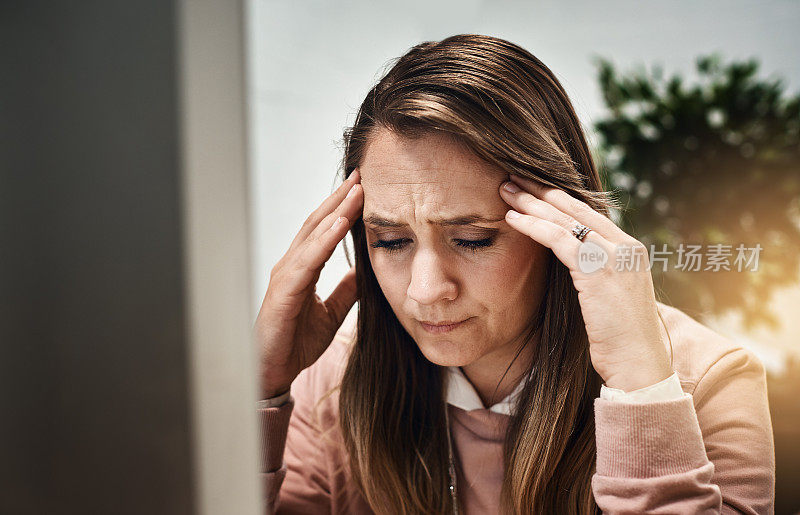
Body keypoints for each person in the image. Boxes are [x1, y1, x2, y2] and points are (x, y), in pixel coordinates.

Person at [254, 34, 775, 514]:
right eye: (390, 241)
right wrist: (259, 391)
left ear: (562, 226)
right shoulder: (334, 385)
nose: (427, 289)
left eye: (473, 238)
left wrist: (641, 388)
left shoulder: (706, 383)